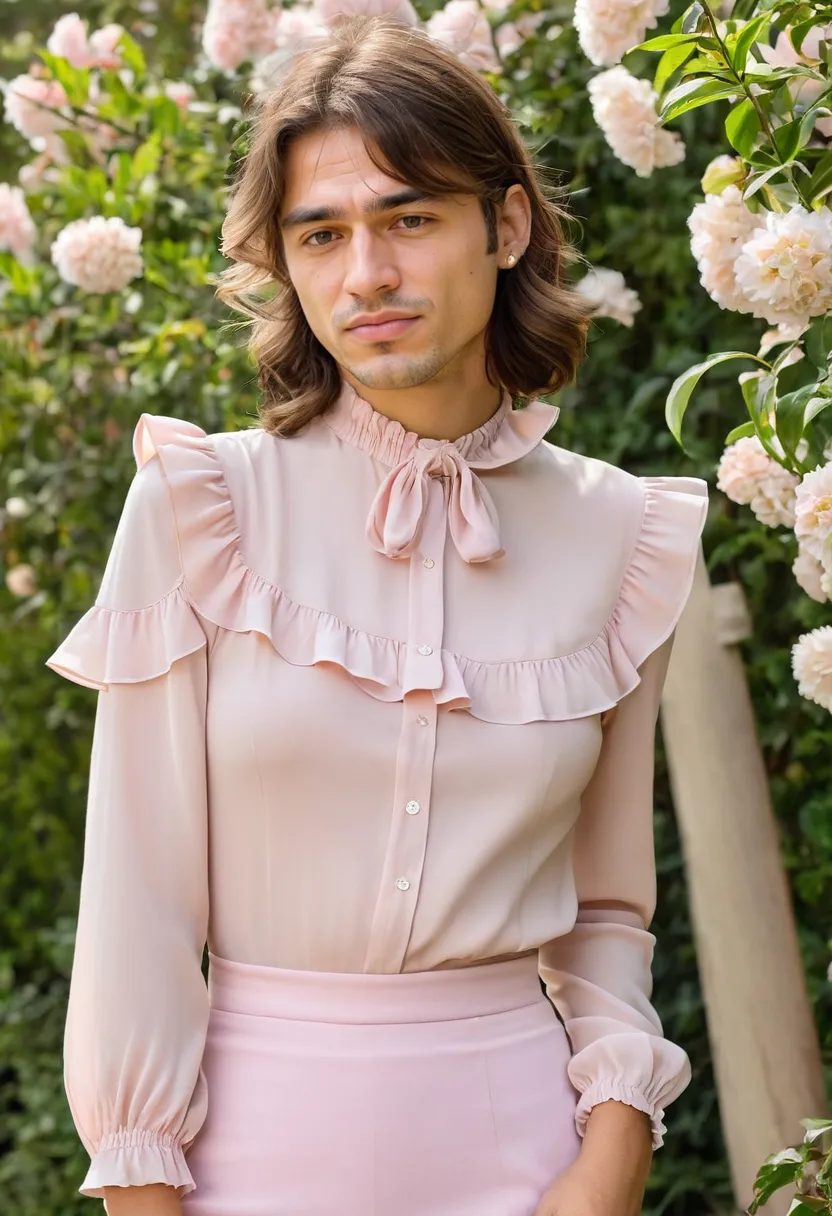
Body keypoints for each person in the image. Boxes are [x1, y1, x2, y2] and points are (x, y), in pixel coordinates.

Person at [46, 14, 708, 1216]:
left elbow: (609, 903)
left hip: (532, 1166)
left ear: (505, 225)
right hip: (240, 1168)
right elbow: (136, 906)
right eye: (323, 233)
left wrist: (610, 1152)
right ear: (286, 261)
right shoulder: (202, 505)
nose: (368, 276)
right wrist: (141, 1189)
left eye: (409, 217)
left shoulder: (623, 537)